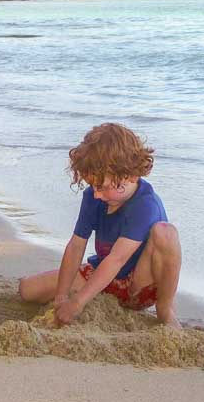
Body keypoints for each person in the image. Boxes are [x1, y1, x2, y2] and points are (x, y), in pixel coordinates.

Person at [18, 123, 182, 328]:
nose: (96, 194)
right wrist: (61, 296)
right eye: (92, 186)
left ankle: (165, 309)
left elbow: (116, 260)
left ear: (130, 175)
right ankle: (93, 295)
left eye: (101, 187)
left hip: (139, 286)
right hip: (105, 279)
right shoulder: (94, 197)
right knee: (27, 290)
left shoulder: (145, 205)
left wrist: (77, 303)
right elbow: (76, 246)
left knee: (166, 232)